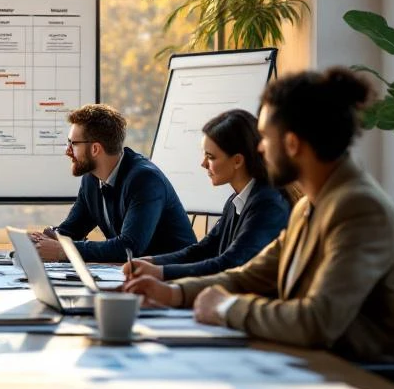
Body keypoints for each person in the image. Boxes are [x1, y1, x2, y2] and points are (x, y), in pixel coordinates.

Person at [123, 68, 394, 362]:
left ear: (292, 144)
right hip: (310, 365)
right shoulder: (308, 206)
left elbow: (318, 320)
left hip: (362, 382)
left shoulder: (358, 208)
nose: (259, 148)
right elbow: (248, 277)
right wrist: (173, 294)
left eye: (263, 136)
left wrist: (226, 309)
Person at [122, 109, 290, 280]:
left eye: (210, 157)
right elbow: (203, 250)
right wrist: (150, 262)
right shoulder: (236, 200)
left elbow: (230, 263)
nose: (203, 164)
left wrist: (160, 272)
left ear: (238, 160)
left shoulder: (268, 204)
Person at [31, 103, 196, 262]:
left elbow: (129, 248)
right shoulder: (91, 179)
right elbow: (70, 231)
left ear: (95, 149)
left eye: (73, 144)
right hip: (136, 277)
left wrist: (63, 250)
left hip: (175, 278)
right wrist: (42, 241)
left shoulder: (145, 180)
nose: (67, 151)